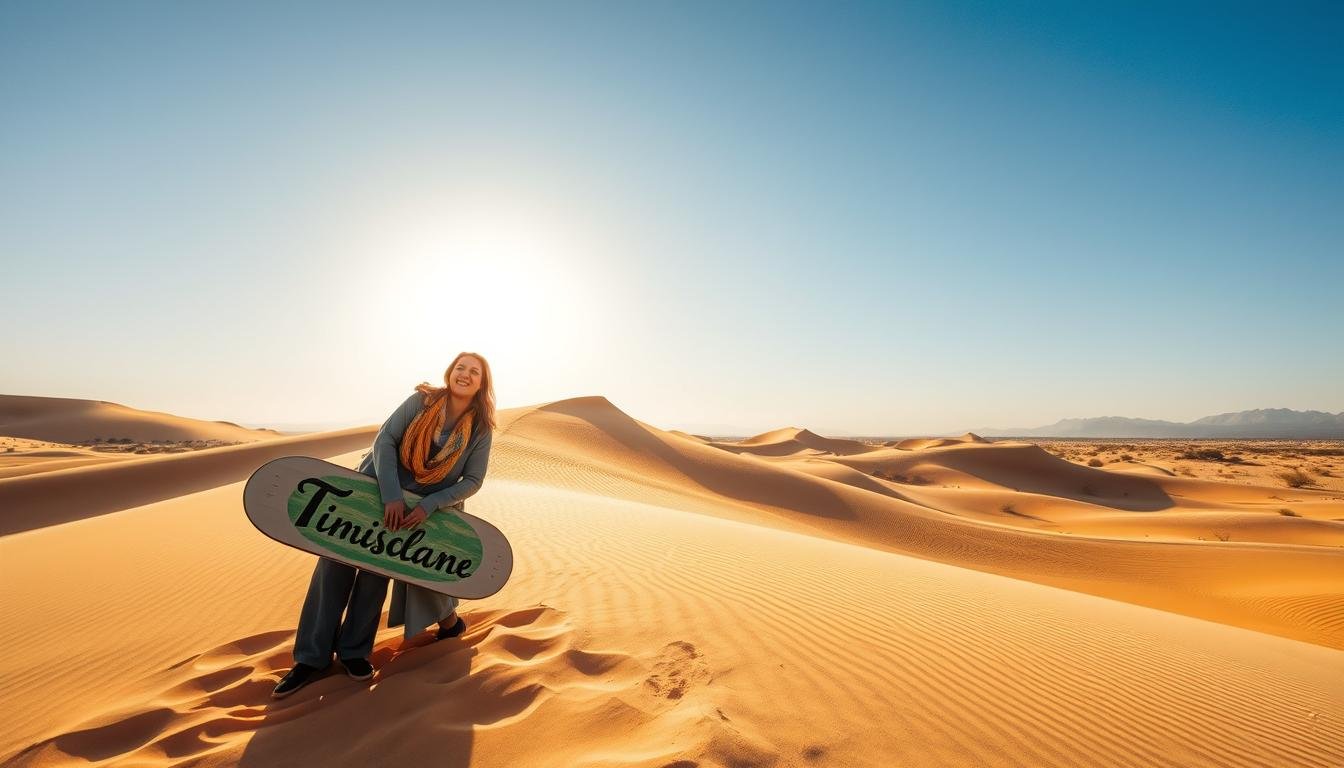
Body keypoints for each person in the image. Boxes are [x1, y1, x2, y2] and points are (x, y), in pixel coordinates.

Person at [272, 351, 496, 699]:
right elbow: (385, 440)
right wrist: (391, 494)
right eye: (460, 368)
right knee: (334, 565)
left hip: (416, 510)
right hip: (372, 490)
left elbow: (473, 480)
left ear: (483, 383)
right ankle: (310, 658)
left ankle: (354, 652)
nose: (465, 374)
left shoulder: (479, 429)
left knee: (377, 572)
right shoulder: (421, 401)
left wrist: (429, 504)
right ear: (450, 372)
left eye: (475, 372)